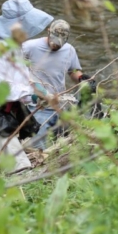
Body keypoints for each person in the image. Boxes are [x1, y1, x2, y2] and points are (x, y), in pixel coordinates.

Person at [0, 0, 53, 173]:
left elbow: (20, 82)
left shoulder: (15, 47)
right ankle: (24, 193)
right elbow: (6, 88)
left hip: (4, 109)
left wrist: (35, 94)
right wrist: (34, 94)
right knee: (18, 164)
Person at [22, 19, 94, 149]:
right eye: (54, 41)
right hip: (38, 105)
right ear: (48, 32)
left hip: (60, 103)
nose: (56, 45)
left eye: (60, 43)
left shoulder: (69, 50)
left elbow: (73, 71)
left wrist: (82, 78)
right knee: (38, 146)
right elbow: (15, 71)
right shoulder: (29, 47)